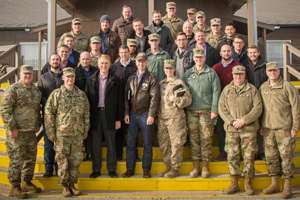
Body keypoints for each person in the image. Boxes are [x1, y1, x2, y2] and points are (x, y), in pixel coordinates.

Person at [45, 67, 90, 197]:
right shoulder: (56, 94)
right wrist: (51, 132)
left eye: (72, 77)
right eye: (68, 76)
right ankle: (64, 186)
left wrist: (85, 129)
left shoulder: (81, 95)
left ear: (74, 78)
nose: (70, 79)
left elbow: (87, 113)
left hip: (77, 134)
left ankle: (72, 185)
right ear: (63, 78)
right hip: (62, 134)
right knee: (62, 161)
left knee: (75, 161)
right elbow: (49, 114)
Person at [218, 65, 262, 195]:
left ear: (244, 75)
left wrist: (244, 120)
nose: (238, 77)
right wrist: (232, 121)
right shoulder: (227, 90)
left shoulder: (252, 90)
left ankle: (248, 183)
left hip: (248, 129)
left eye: (241, 74)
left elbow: (257, 108)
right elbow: (222, 108)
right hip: (232, 129)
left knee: (249, 156)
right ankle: (234, 183)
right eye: (236, 75)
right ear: (232, 75)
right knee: (232, 156)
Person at [260, 62, 300, 199]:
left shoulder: (287, 87)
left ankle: (287, 186)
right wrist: (261, 125)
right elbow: (261, 109)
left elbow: (296, 108)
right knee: (271, 158)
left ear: (279, 71)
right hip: (268, 129)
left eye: (274, 71)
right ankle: (274, 183)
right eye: (270, 71)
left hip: (284, 129)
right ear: (266, 72)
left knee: (286, 158)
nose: (272, 73)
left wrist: (295, 127)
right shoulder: (263, 87)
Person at [1, 65, 42, 199]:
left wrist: (37, 124)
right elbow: (5, 110)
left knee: (30, 159)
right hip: (17, 132)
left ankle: (27, 182)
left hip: (30, 131)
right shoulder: (13, 89)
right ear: (20, 74)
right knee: (16, 160)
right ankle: (15, 186)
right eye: (25, 74)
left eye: (30, 74)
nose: (28, 76)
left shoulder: (35, 90)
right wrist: (12, 128)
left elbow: (37, 110)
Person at [183, 48, 221, 178]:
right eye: (196, 57)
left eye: (201, 57)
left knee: (206, 139)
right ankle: (196, 167)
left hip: (206, 112)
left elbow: (216, 92)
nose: (198, 59)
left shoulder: (211, 73)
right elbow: (184, 92)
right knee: (194, 140)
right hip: (191, 111)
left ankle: (205, 166)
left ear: (204, 58)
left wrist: (214, 110)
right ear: (194, 58)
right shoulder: (188, 74)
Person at [122, 52, 160, 178]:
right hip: (133, 114)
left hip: (145, 115)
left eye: (143, 61)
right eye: (139, 61)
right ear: (136, 62)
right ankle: (130, 168)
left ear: (146, 63)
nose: (141, 63)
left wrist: (151, 115)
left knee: (147, 144)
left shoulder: (151, 78)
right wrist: (126, 113)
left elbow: (155, 98)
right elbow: (126, 98)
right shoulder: (131, 78)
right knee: (131, 143)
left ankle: (146, 169)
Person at [85, 55, 123, 178]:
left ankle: (111, 169)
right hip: (95, 115)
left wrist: (118, 119)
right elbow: (86, 101)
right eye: (101, 63)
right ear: (98, 64)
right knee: (95, 144)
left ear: (110, 64)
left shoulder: (115, 80)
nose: (104, 65)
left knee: (111, 143)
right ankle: (96, 169)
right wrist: (87, 119)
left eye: (106, 63)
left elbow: (119, 101)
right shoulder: (91, 80)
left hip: (110, 115)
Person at [158, 59, 192, 178]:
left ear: (174, 69)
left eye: (170, 68)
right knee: (164, 144)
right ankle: (168, 166)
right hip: (162, 119)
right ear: (164, 69)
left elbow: (188, 100)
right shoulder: (161, 84)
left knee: (176, 144)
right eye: (166, 68)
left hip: (176, 119)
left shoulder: (179, 83)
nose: (168, 71)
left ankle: (175, 168)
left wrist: (176, 100)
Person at [212, 44, 242, 161]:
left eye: (228, 51)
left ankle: (237, 154)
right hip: (221, 103)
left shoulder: (238, 66)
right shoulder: (216, 68)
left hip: (235, 103)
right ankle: (223, 153)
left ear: (232, 52)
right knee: (221, 129)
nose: (226, 53)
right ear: (220, 53)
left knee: (235, 129)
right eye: (224, 51)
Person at [37, 54, 64, 178]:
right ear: (49, 62)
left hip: (62, 115)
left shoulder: (64, 77)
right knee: (48, 143)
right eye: (53, 59)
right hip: (48, 116)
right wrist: (49, 103)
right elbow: (39, 94)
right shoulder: (43, 77)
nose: (55, 61)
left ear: (60, 61)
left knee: (60, 143)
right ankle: (49, 168)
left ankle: (59, 167)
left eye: (57, 59)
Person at [110, 45, 137, 160]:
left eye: (126, 52)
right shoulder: (114, 67)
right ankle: (118, 153)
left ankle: (134, 154)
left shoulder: (135, 66)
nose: (124, 55)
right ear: (118, 54)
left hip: (133, 100)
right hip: (119, 100)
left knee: (133, 128)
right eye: (121, 53)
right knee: (119, 128)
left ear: (129, 53)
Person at [245, 45, 268, 160]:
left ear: (258, 53)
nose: (252, 55)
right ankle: (252, 151)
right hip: (249, 99)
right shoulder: (245, 66)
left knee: (262, 126)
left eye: (254, 53)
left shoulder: (265, 66)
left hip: (263, 98)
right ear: (247, 54)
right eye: (250, 53)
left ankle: (261, 151)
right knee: (251, 125)